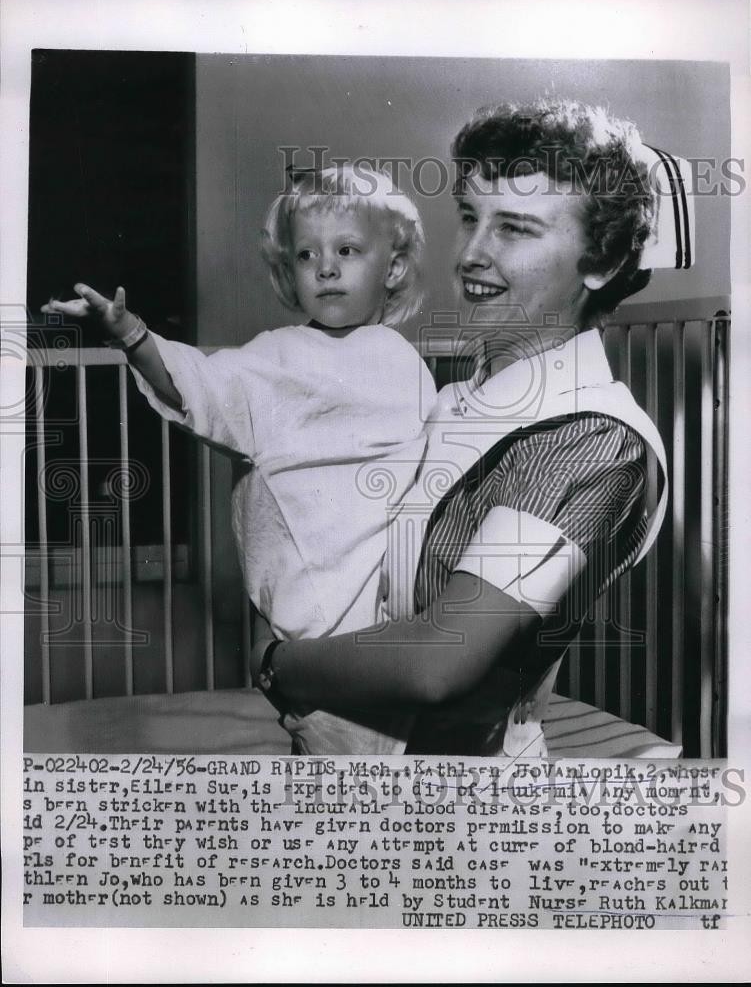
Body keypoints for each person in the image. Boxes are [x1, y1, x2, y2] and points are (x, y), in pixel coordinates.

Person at [250, 98, 684, 756]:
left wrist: (277, 665)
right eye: (468, 218)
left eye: (514, 228)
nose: (473, 255)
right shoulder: (460, 400)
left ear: (600, 260)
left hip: (459, 790)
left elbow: (437, 662)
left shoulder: (590, 438)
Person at [42, 165, 437, 755]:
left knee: (398, 775)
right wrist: (130, 335)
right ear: (289, 272)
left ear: (394, 267)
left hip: (392, 614)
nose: (325, 267)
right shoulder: (277, 356)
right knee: (346, 769)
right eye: (306, 256)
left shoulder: (409, 365)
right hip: (313, 625)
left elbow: (436, 474)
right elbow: (195, 384)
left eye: (347, 250)